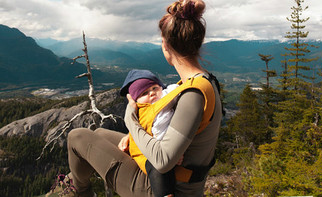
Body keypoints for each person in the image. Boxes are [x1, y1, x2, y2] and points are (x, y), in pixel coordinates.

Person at [51, 0, 222, 196]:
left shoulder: (193, 95)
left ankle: (79, 192)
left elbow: (163, 160)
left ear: (166, 46)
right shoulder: (203, 82)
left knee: (77, 136)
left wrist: (131, 120)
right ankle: (74, 185)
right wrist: (132, 136)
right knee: (99, 133)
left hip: (163, 188)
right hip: (171, 178)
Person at [119, 69, 180, 197]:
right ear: (137, 100)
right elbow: (148, 128)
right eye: (144, 93)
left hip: (160, 147)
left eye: (154, 88)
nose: (152, 93)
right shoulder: (144, 111)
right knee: (156, 166)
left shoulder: (166, 97)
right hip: (144, 152)